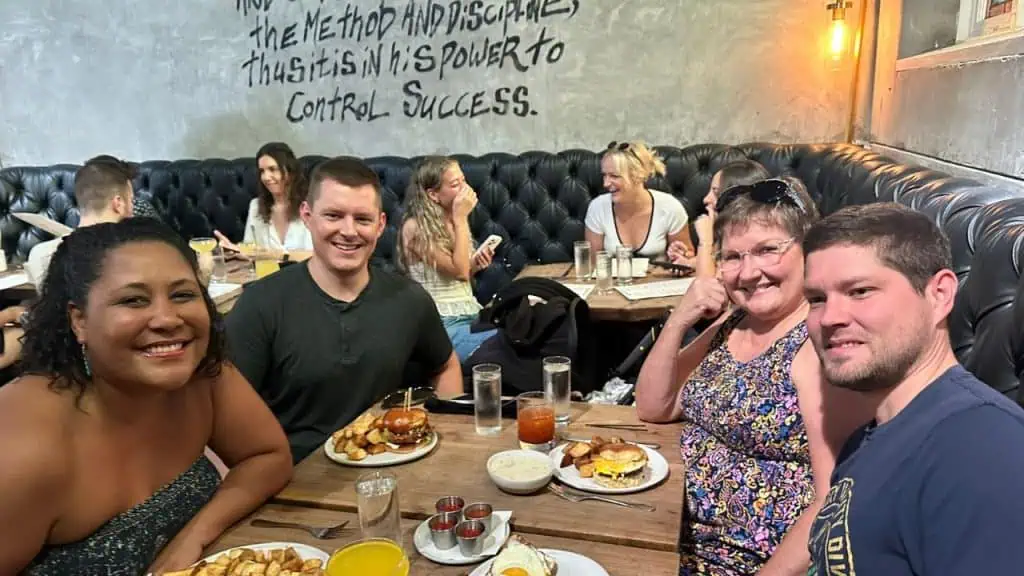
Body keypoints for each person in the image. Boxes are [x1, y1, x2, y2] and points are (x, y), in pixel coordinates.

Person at [0, 218, 292, 574]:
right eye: (133, 300)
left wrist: (193, 536)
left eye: (182, 295)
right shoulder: (24, 447)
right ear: (79, 321)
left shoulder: (200, 372)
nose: (167, 319)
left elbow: (268, 456)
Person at [634, 178, 872, 575]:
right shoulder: (736, 322)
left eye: (767, 250)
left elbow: (834, 498)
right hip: (669, 528)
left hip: (737, 561)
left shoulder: (818, 345)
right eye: (732, 257)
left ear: (808, 250)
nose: (748, 272)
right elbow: (653, 406)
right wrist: (680, 318)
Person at [803, 203, 1024, 575]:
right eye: (816, 299)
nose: (829, 318)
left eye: (860, 291)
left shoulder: (982, 449)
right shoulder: (870, 436)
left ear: (940, 294)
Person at [226, 156, 463, 463]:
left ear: (380, 225)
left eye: (362, 219)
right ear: (307, 216)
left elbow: (445, 365)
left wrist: (444, 438)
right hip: (292, 476)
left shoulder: (410, 299)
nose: (349, 231)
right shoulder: (260, 305)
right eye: (333, 216)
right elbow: (222, 412)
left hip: (390, 465)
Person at [396, 156, 498, 362]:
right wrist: (461, 219)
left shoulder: (450, 220)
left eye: (463, 180)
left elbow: (460, 274)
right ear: (433, 194)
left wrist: (475, 265)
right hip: (443, 326)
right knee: (509, 343)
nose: (465, 189)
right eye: (455, 184)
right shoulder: (415, 227)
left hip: (471, 317)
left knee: (527, 327)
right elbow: (459, 272)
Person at [24, 155, 136, 290]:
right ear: (118, 204)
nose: (132, 210)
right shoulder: (135, 256)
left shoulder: (40, 255)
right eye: (131, 201)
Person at [585, 141, 694, 264]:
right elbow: (592, 265)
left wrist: (680, 256)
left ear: (638, 176)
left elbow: (688, 259)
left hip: (659, 276)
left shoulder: (670, 207)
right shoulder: (597, 207)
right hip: (614, 277)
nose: (605, 184)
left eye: (614, 176)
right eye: (604, 175)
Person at [669, 160, 771, 277]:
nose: (706, 199)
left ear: (736, 199)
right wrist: (687, 263)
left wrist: (705, 241)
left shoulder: (751, 238)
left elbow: (705, 285)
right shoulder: (727, 234)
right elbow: (716, 261)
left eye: (716, 193)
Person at [214, 142, 313, 257]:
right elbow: (250, 251)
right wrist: (236, 250)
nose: (266, 177)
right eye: (262, 171)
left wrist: (267, 255)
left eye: (273, 169)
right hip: (265, 269)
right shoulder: (255, 206)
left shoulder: (311, 206)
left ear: (290, 172)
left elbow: (315, 255)